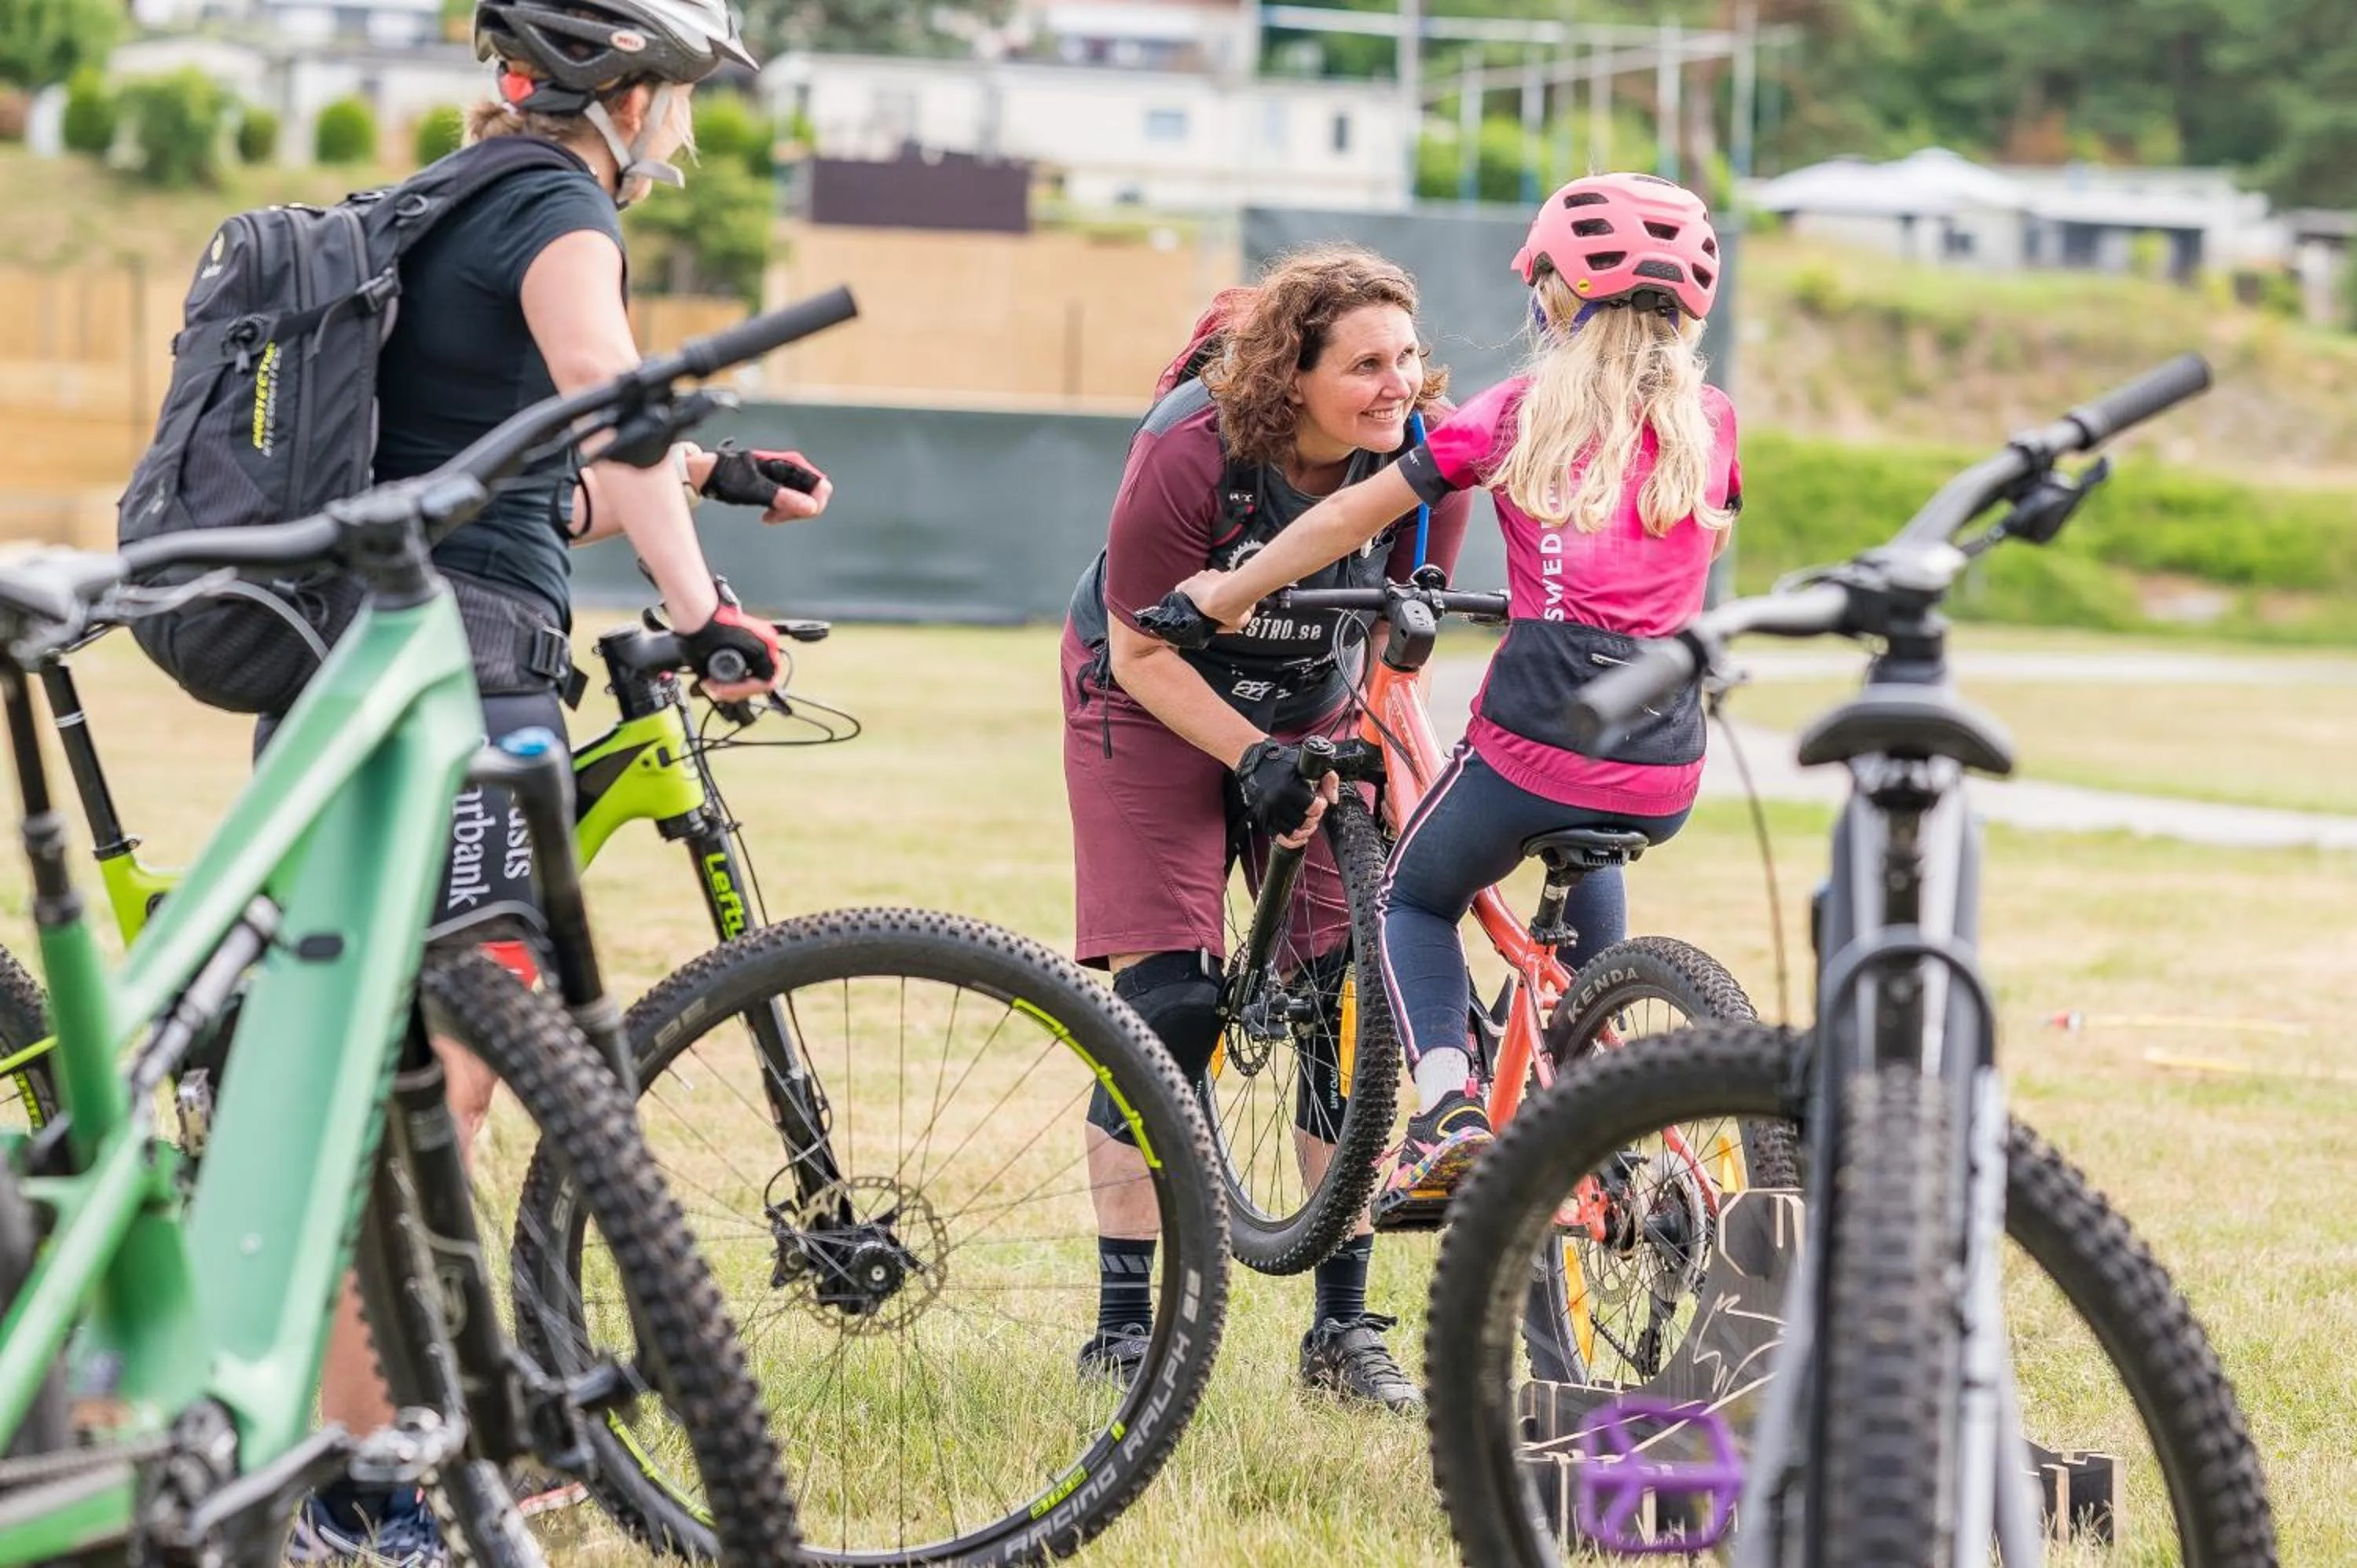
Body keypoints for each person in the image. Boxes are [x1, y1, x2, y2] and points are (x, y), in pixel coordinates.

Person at [288, 2, 832, 1559]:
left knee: (383, 1059)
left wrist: (712, 478)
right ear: (625, 91)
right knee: (447, 1071)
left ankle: (353, 1445)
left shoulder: (442, 195)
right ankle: (360, 1487)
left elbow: (510, 475)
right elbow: (613, 396)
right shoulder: (556, 204)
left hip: (359, 649)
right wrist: (702, 607)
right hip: (456, 674)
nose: (684, 134)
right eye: (679, 100)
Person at [1164, 173, 1739, 1203]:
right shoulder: (1714, 421)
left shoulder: (1515, 413)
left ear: (1554, 298)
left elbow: (1351, 519)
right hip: (1666, 762)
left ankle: (1446, 1108)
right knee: (1584, 869)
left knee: (1414, 898)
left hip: (1538, 739)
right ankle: (1592, 1071)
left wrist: (1229, 590)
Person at [1061, 246, 1472, 1414]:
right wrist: (1249, 758)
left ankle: (1342, 1331)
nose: (1398, 386)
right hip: (1147, 696)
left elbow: (1398, 644)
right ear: (1292, 374)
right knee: (1172, 1008)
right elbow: (1140, 648)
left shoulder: (1430, 458)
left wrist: (1364, 762)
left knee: (1348, 1004)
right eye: (1365, 365)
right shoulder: (1190, 450)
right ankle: (1123, 1328)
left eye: (1407, 358)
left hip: (1311, 705)